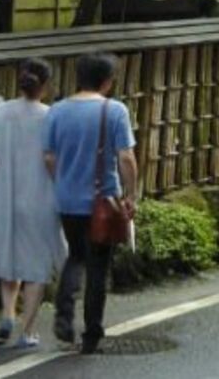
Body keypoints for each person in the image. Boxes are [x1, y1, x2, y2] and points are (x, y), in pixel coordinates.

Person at [45, 52, 138, 355]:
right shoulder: (114, 111)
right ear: (107, 81)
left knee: (76, 255)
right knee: (98, 265)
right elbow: (125, 157)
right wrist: (130, 194)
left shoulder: (56, 111)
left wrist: (63, 180)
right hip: (102, 200)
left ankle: (64, 311)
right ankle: (92, 333)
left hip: (67, 198)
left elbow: (48, 156)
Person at [0, 58, 66, 349]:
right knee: (36, 264)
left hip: (4, 192)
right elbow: (56, 157)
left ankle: (7, 312)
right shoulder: (52, 116)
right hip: (40, 195)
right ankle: (27, 330)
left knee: (9, 253)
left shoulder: (1, 111)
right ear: (45, 85)